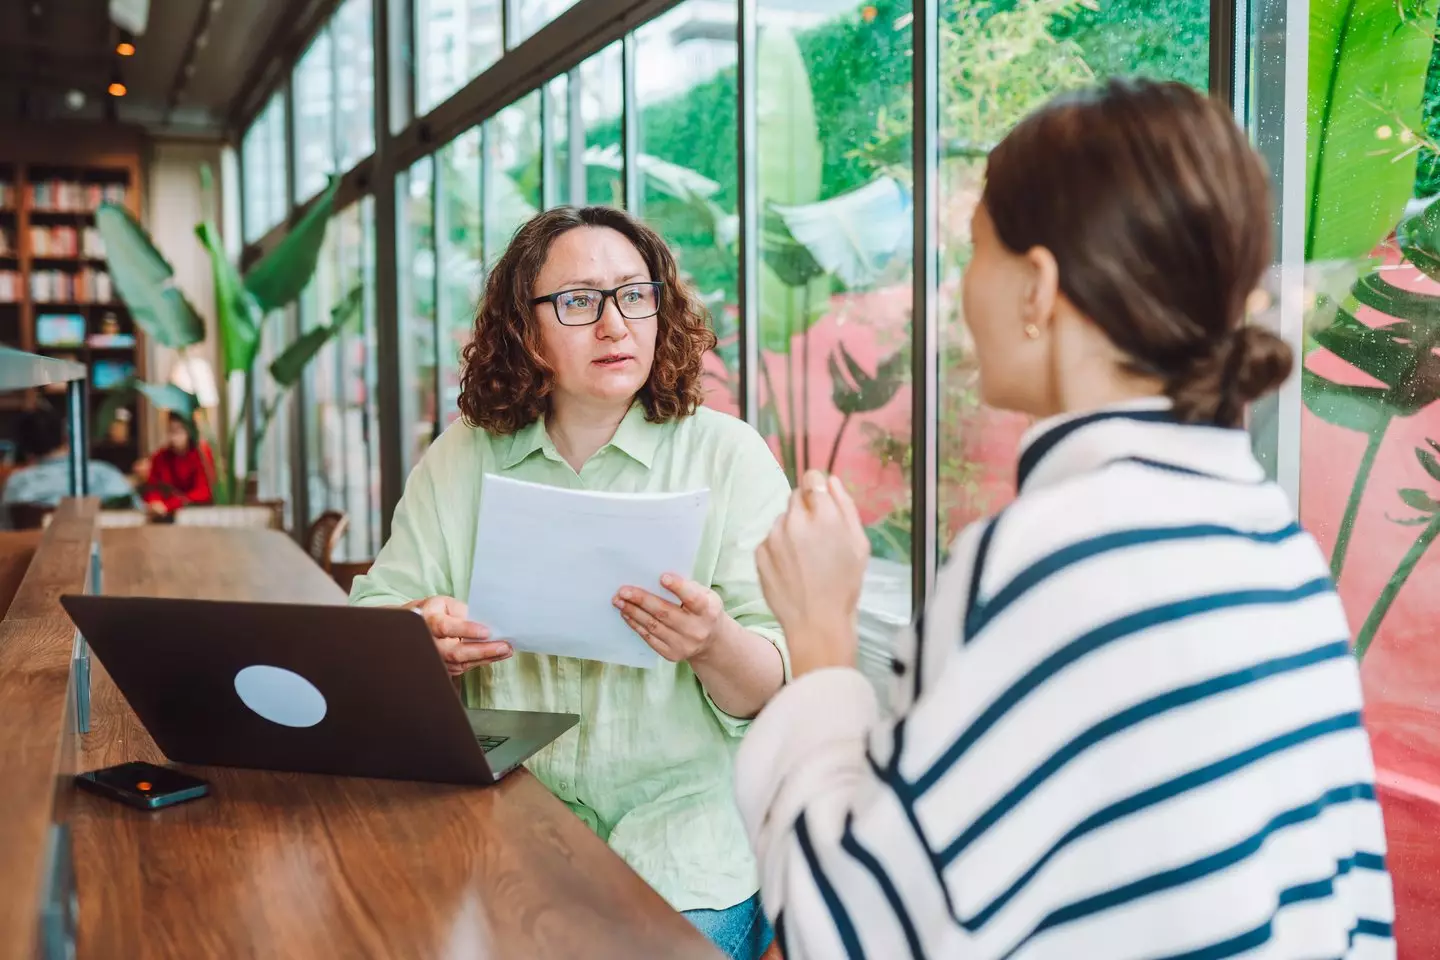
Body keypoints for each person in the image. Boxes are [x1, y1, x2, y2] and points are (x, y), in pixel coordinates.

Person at [738, 80, 1394, 960]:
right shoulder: (1274, 542)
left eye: (974, 252)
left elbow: (849, 933)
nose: (958, 291)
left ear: (1037, 289)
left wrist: (819, 640)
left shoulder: (1052, 558)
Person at [349, 205, 789, 960]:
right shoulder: (463, 457)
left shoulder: (730, 457)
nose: (616, 324)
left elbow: (774, 688)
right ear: (527, 329)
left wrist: (713, 643)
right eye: (579, 301)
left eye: (634, 294)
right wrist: (422, 636)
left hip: (685, 852)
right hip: (505, 834)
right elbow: (376, 627)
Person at [2, 404, 138, 523]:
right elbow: (138, 516)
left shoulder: (18, 483)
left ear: (24, 448)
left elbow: (6, 531)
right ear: (67, 437)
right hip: (105, 549)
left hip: (40, 551)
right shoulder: (105, 474)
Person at [142, 411, 214, 516]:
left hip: (196, 514)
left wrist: (171, 505)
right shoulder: (160, 457)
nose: (175, 437)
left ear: (190, 431)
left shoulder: (202, 455)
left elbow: (203, 492)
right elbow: (153, 487)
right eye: (171, 431)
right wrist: (155, 502)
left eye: (179, 431)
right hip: (164, 514)